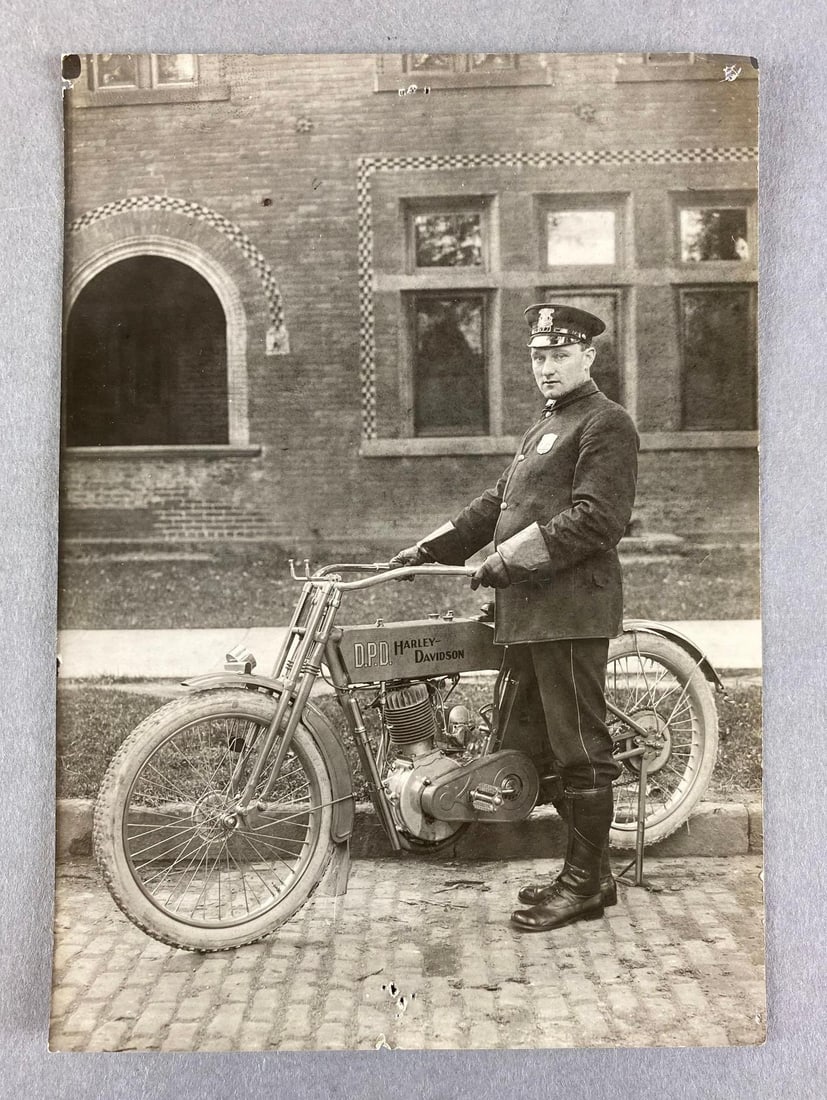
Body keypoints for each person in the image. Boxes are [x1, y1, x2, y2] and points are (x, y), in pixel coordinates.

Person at [390, 303, 639, 932]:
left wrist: (504, 560)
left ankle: (584, 884)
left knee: (580, 748)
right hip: (526, 610)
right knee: (539, 746)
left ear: (588, 356)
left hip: (570, 609)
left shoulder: (607, 424)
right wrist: (430, 548)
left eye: (559, 355)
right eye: (538, 356)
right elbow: (495, 503)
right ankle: (590, 874)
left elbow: (596, 519)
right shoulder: (544, 429)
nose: (547, 367)